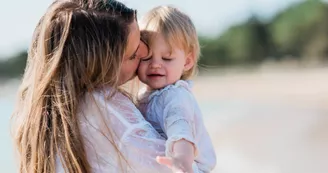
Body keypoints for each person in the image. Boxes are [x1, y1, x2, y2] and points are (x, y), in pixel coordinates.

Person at [11, 0, 202, 172]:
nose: (145, 54)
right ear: (105, 69)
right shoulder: (107, 109)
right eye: (134, 54)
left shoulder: (39, 115)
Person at [137, 6, 217, 173]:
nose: (155, 64)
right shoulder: (145, 93)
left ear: (187, 62)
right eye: (146, 57)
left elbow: (180, 126)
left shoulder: (175, 96)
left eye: (167, 58)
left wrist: (181, 160)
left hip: (189, 166)